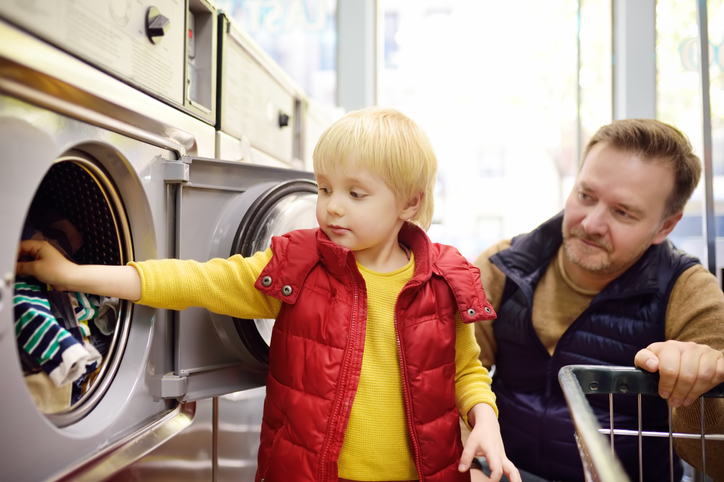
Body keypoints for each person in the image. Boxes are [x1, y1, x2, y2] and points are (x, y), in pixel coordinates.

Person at [16, 107, 521, 482]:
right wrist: (75, 275)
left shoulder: (443, 281)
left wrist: (485, 419)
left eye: (355, 193)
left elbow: (466, 370)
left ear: (408, 203)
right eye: (323, 189)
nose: (332, 208)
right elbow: (195, 279)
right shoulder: (297, 268)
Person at [467, 118, 724, 482]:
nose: (591, 223)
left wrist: (702, 390)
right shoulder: (504, 265)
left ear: (665, 226)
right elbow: (442, 382)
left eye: (623, 212)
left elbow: (716, 460)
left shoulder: (690, 293)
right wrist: (463, 469)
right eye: (585, 196)